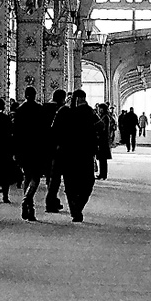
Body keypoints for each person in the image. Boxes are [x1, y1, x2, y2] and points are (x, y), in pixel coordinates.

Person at [52, 89, 103, 222]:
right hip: (85, 152)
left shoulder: (65, 111)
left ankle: (75, 209)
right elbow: (101, 126)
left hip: (68, 153)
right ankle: (78, 207)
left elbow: (54, 130)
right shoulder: (88, 112)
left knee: (70, 183)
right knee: (87, 182)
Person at [14, 82, 54, 221]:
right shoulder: (40, 109)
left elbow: (16, 133)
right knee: (35, 177)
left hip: (24, 148)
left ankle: (29, 207)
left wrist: (16, 151)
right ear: (35, 95)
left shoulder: (19, 110)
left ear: (25, 95)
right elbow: (46, 131)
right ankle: (27, 199)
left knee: (27, 176)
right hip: (38, 148)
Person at [43, 88, 70, 214]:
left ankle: (53, 200)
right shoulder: (62, 110)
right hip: (58, 148)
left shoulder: (44, 108)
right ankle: (51, 202)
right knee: (55, 178)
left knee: (50, 176)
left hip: (45, 147)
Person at [96, 101, 115, 179]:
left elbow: (102, 128)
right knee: (102, 159)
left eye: (100, 108)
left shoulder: (105, 117)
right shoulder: (105, 116)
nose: (99, 110)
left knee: (102, 158)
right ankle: (102, 174)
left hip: (103, 140)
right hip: (104, 139)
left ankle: (103, 174)